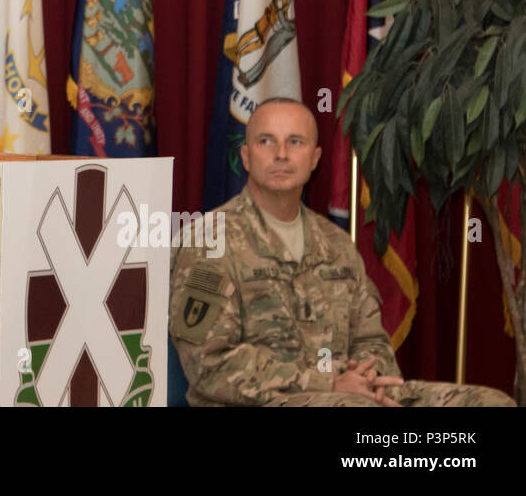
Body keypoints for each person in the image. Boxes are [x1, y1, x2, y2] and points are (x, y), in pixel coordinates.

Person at [170, 97, 515, 407]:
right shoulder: (208, 242)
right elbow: (209, 365)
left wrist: (367, 379)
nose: (281, 154)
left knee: (489, 402)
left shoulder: (335, 244)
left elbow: (371, 339)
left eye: (295, 142)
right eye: (265, 141)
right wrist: (329, 382)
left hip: (347, 394)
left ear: (315, 158)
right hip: (255, 402)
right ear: (246, 157)